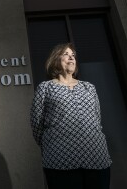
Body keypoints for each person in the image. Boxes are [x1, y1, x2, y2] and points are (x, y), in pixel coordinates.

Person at [30, 43, 112, 189]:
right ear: (55, 59)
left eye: (73, 55)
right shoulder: (45, 87)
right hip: (60, 160)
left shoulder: (89, 87)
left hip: (97, 157)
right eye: (66, 54)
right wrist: (53, 145)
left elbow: (96, 120)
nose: (71, 58)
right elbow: (36, 124)